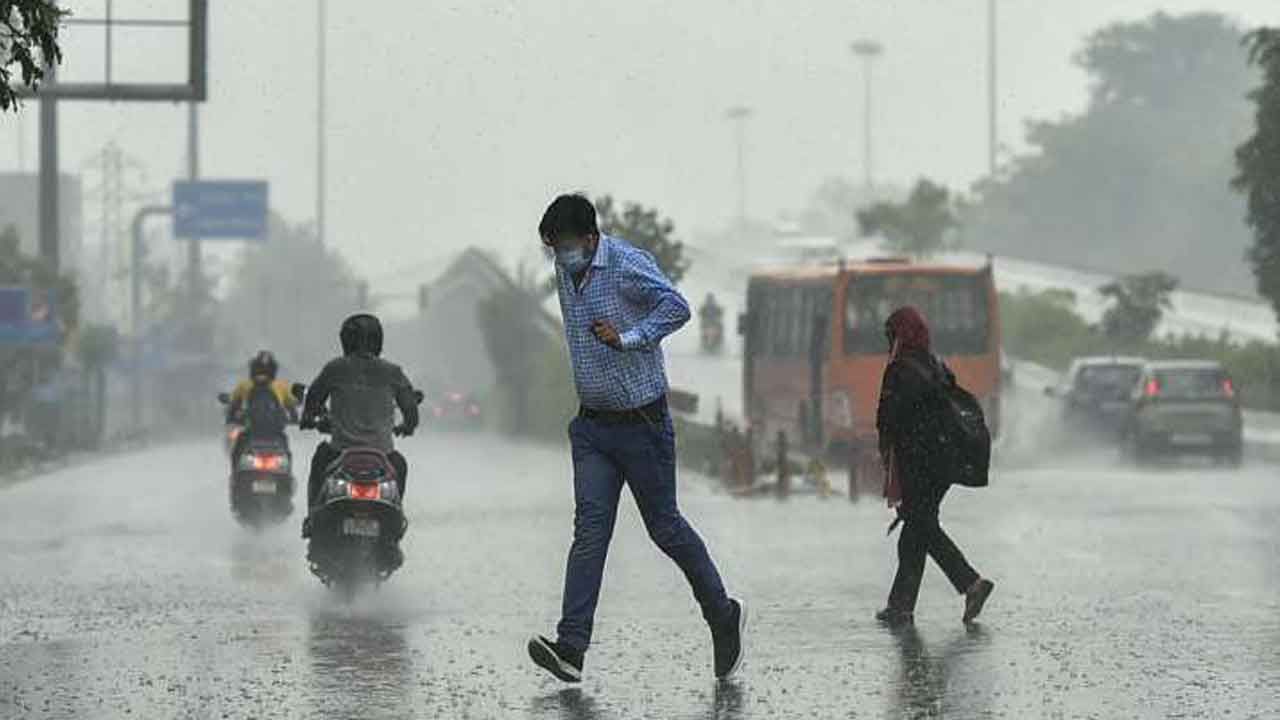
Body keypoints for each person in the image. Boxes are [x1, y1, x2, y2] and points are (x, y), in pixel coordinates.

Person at [526, 194, 746, 684]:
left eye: (565, 246)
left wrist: (628, 336)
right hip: (592, 430)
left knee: (664, 528)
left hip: (642, 426)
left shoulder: (626, 266)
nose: (560, 257)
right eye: (552, 248)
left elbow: (678, 307)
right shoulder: (566, 271)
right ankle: (572, 648)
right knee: (590, 533)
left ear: (589, 238)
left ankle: (723, 614)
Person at [875, 306, 995, 626]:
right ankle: (900, 606)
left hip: (918, 463)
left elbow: (889, 419)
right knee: (916, 529)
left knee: (922, 526)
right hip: (944, 463)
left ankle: (971, 582)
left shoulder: (900, 370)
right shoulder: (935, 365)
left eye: (891, 334)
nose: (889, 341)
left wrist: (885, 454)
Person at [299, 314, 418, 538]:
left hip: (339, 453)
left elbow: (313, 399)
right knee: (400, 465)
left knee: (319, 460)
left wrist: (308, 418)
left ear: (346, 340)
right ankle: (394, 527)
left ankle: (311, 520)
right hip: (383, 455)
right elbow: (411, 408)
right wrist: (407, 426)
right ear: (378, 340)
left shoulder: (335, 368)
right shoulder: (393, 372)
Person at [225, 350, 298, 463]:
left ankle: (235, 478)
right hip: (275, 432)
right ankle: (288, 477)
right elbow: (292, 406)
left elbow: (234, 405)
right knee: (286, 450)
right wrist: (294, 419)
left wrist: (231, 418)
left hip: (251, 431)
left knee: (237, 450)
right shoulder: (282, 386)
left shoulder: (244, 385)